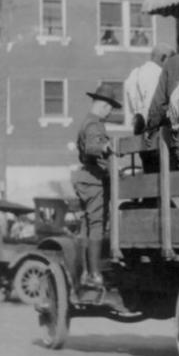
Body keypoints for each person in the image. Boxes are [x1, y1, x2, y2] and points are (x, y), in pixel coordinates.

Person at [72, 84, 130, 314]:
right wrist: (107, 147)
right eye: (110, 108)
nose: (109, 113)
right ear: (103, 105)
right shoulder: (95, 123)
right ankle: (95, 274)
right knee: (96, 225)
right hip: (94, 180)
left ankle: (87, 271)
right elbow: (92, 147)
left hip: (87, 178)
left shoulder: (87, 121)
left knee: (88, 226)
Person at [124, 43, 174, 135]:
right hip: (154, 128)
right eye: (171, 59)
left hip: (138, 127)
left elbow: (130, 104)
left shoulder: (135, 73)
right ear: (164, 57)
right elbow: (155, 103)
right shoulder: (159, 74)